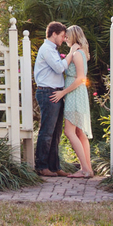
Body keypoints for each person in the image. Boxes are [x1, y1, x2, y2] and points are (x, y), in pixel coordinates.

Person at [51, 25, 93, 178]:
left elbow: (81, 78)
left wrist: (63, 92)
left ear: (74, 37)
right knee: (80, 132)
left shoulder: (77, 55)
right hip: (76, 94)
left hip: (74, 94)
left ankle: (85, 170)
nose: (66, 39)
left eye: (67, 36)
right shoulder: (80, 53)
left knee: (70, 131)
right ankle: (87, 168)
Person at [33, 21, 73, 177]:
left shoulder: (52, 50)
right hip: (47, 92)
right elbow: (59, 68)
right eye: (62, 36)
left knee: (56, 132)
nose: (63, 39)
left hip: (56, 92)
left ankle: (54, 166)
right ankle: (41, 166)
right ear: (54, 34)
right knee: (47, 131)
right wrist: (71, 54)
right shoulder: (47, 49)